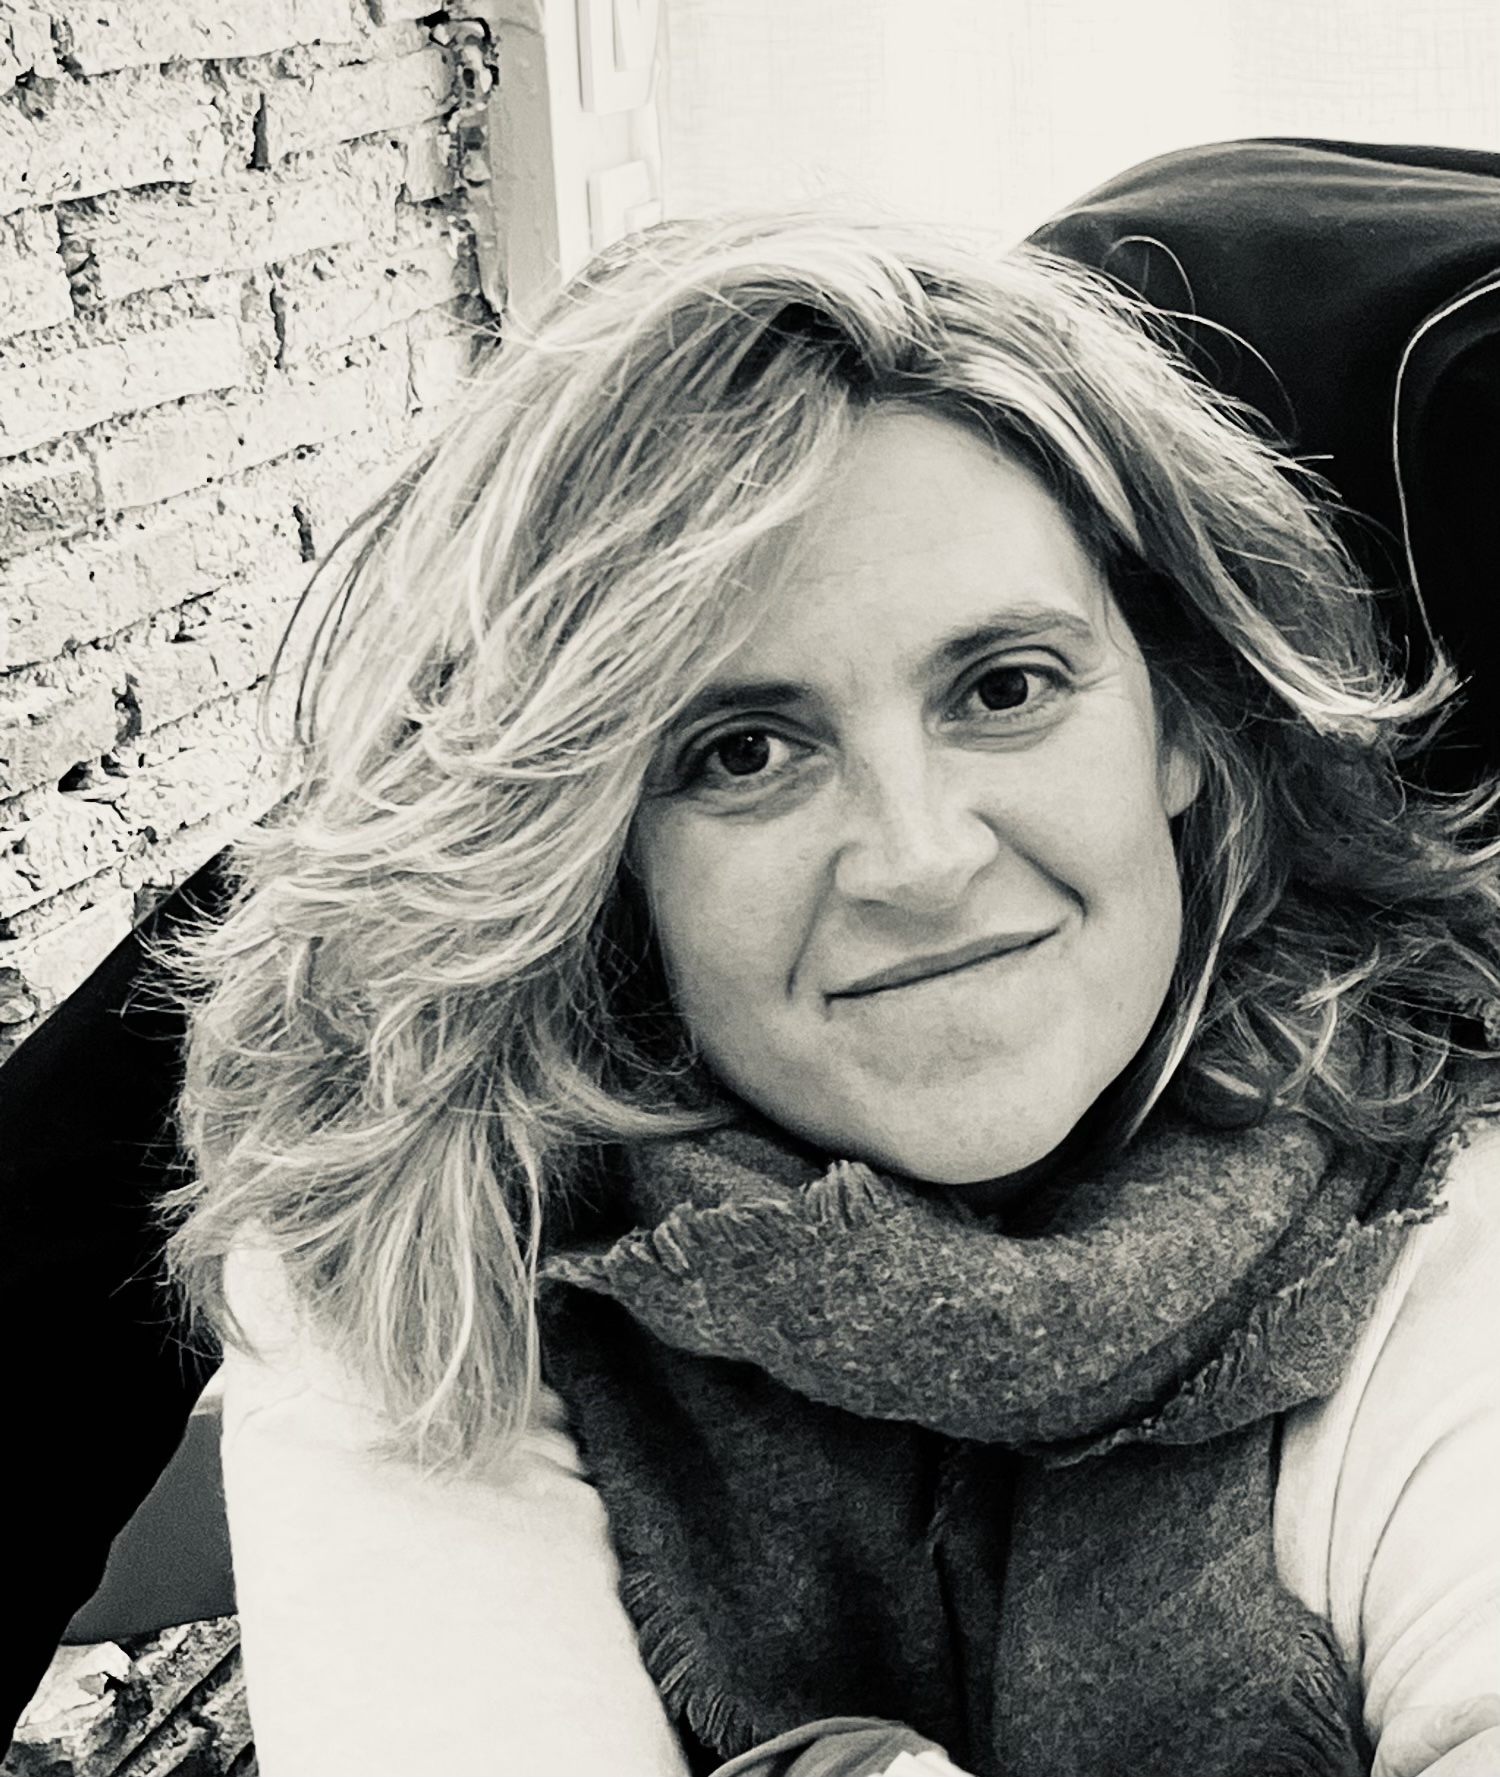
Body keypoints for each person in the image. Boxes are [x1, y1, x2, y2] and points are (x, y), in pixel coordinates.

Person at [53, 213, 1500, 1774]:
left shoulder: (1427, 1185)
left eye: (1004, 687)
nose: (920, 858)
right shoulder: (432, 1236)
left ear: (1181, 721)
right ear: (594, 848)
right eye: (743, 751)